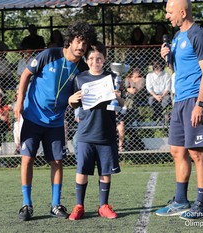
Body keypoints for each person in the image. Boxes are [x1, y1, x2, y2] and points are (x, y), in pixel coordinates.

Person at [14, 21, 97, 221]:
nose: (80, 47)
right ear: (71, 40)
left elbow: (79, 100)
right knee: (27, 159)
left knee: (57, 162)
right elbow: (25, 75)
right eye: (78, 41)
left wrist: (74, 104)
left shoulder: (83, 68)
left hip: (56, 122)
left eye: (84, 44)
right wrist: (19, 102)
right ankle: (27, 204)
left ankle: (55, 205)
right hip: (33, 117)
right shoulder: (49, 54)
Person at [156, 0, 203, 220]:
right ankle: (181, 200)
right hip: (179, 101)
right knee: (177, 150)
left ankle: (202, 204)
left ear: (182, 11)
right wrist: (168, 58)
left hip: (194, 100)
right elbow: (179, 68)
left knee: (197, 153)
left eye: (170, 12)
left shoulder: (198, 34)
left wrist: (200, 104)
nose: (167, 16)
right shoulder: (178, 36)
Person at [67, 41, 122, 220]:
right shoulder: (80, 78)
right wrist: (72, 99)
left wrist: (119, 99)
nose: (94, 61)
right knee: (82, 171)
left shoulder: (112, 77)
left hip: (106, 132)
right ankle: (79, 206)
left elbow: (121, 106)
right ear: (86, 59)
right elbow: (72, 103)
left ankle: (103, 206)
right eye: (91, 58)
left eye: (98, 58)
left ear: (104, 59)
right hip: (85, 133)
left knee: (105, 172)